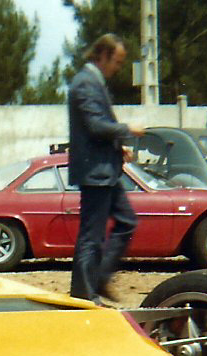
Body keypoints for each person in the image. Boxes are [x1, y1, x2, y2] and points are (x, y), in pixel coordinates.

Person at [67, 33, 144, 305]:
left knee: (126, 222)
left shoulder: (92, 82)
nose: (118, 68)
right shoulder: (85, 84)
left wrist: (117, 147)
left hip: (106, 170)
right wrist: (126, 131)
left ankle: (99, 278)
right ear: (102, 55)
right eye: (117, 61)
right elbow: (95, 126)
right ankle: (84, 295)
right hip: (96, 173)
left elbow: (96, 129)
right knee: (92, 236)